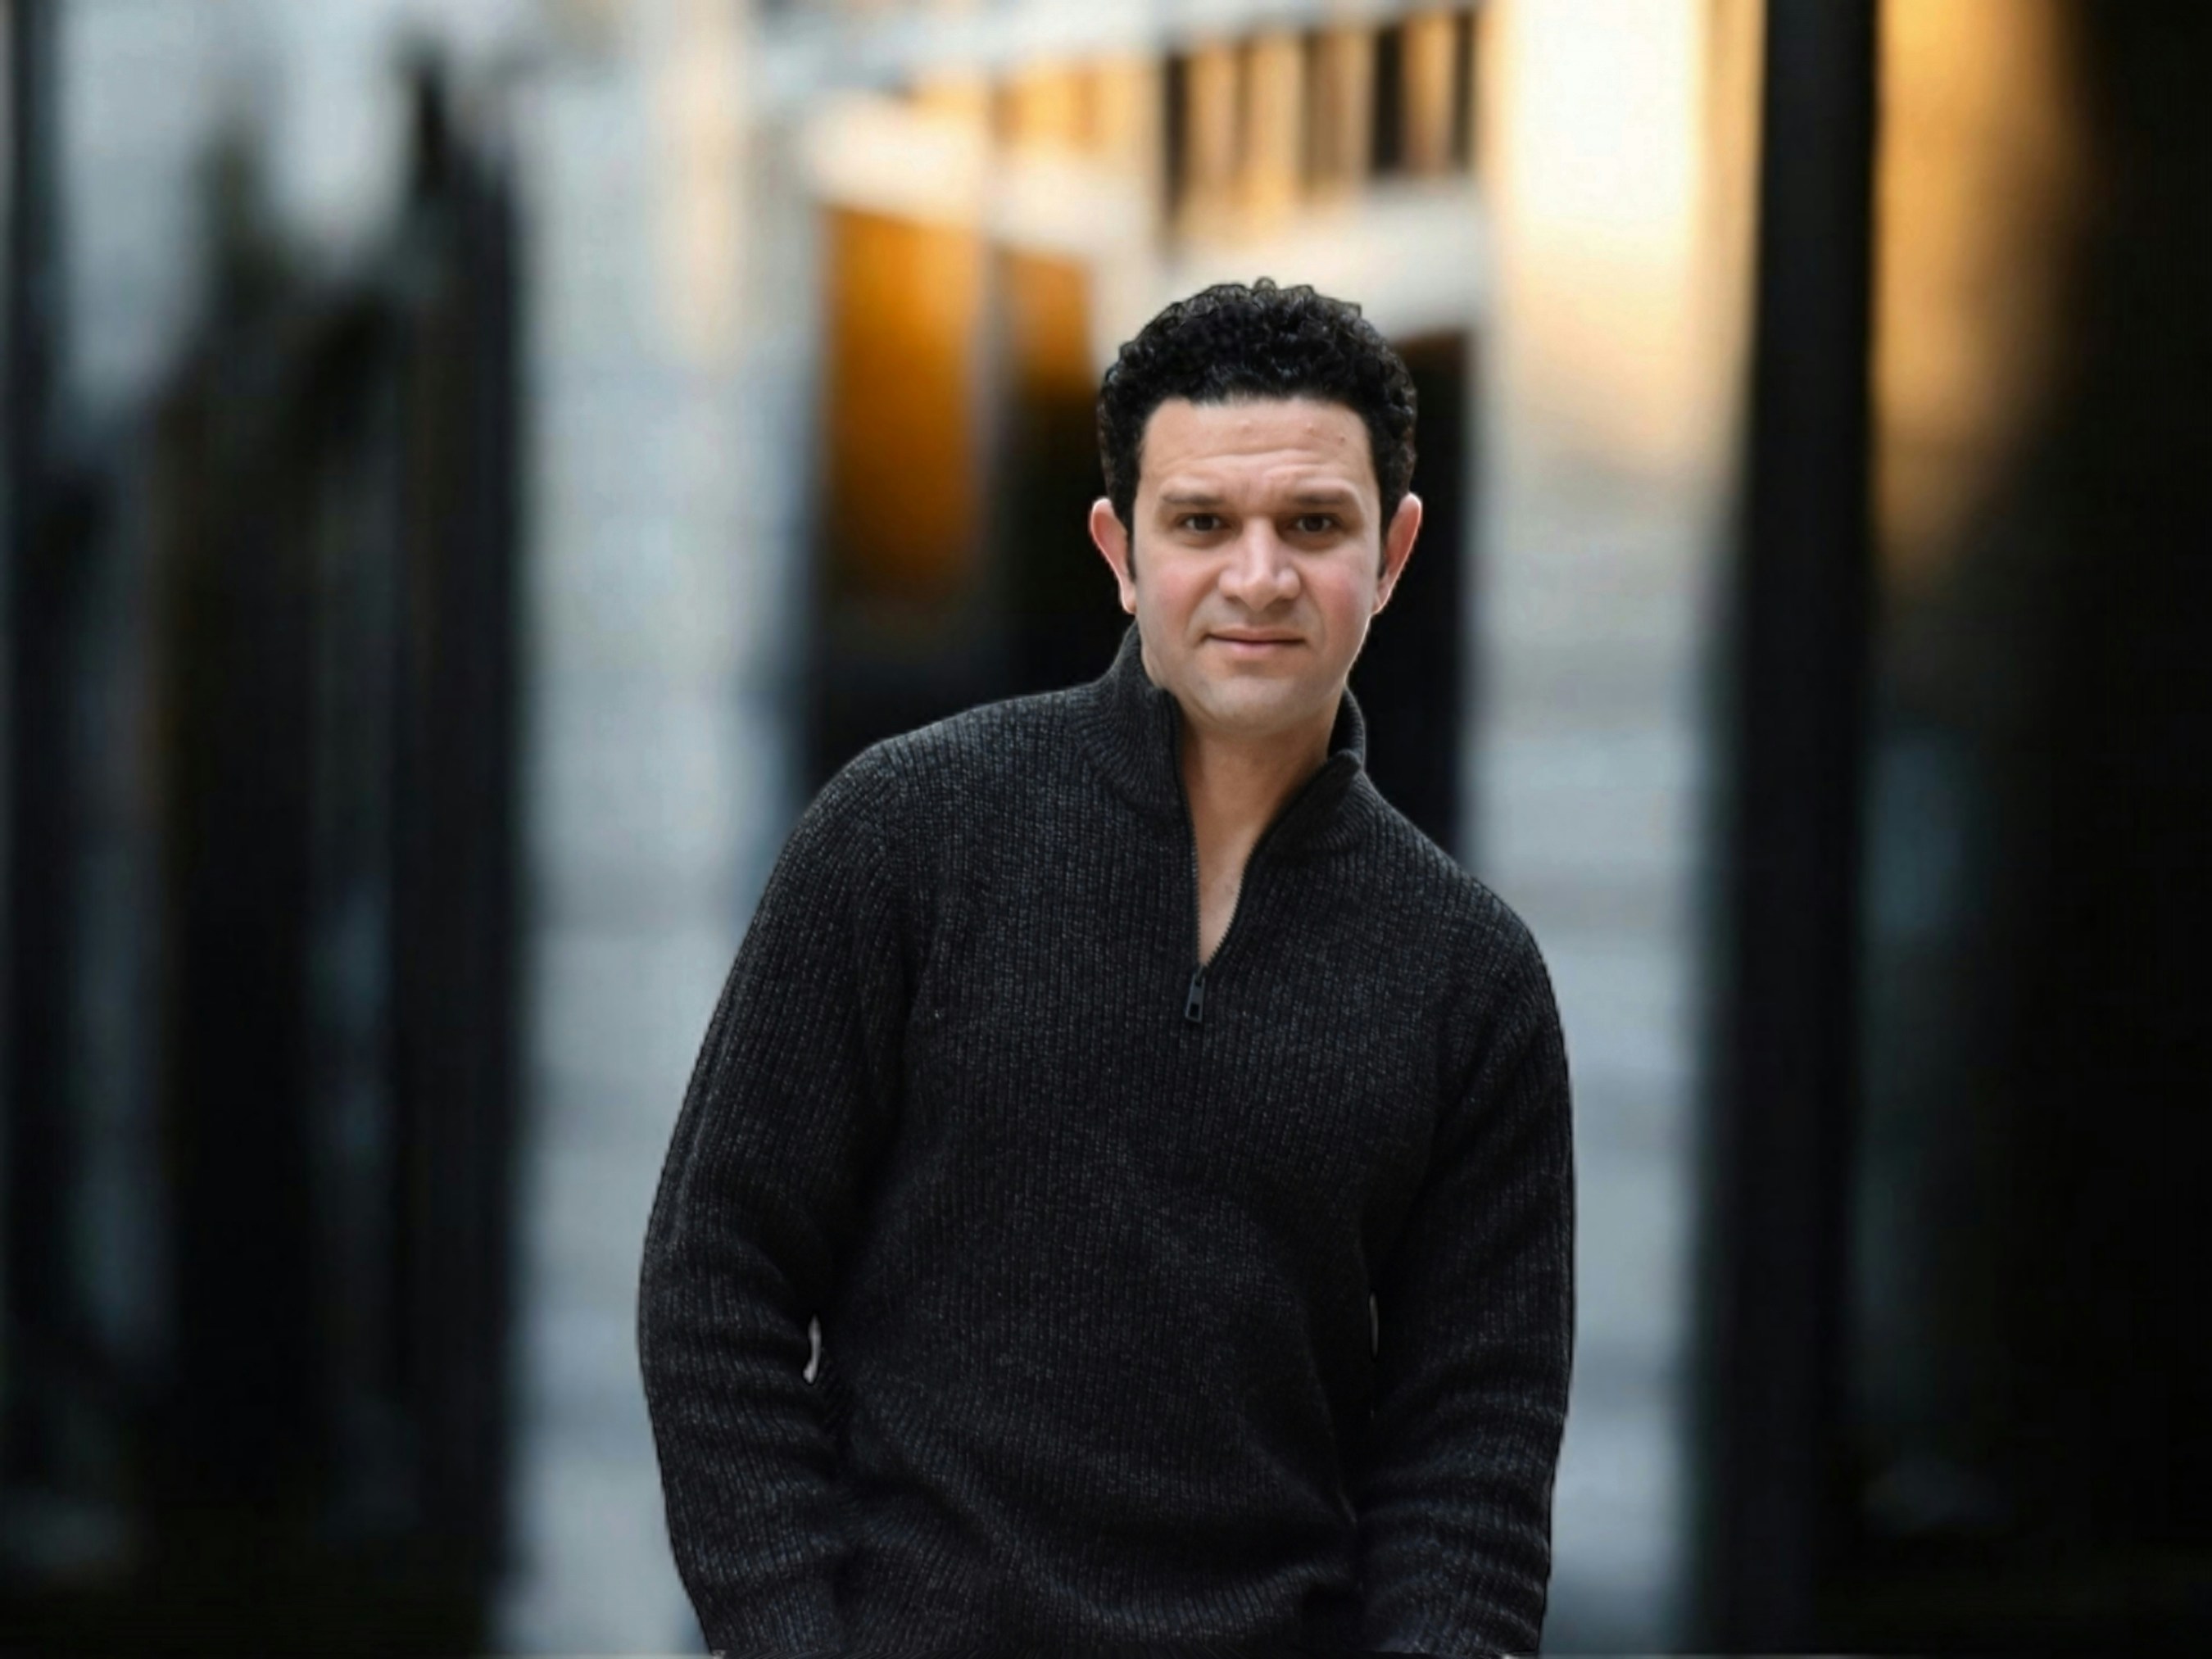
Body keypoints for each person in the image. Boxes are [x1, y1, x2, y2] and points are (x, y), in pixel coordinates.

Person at [638, 279, 1575, 1659]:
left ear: (1395, 552)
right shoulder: (906, 833)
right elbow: (717, 1281)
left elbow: (1472, 1458)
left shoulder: (1468, 975)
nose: (1259, 577)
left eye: (1313, 524)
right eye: (1202, 524)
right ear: (1120, 549)